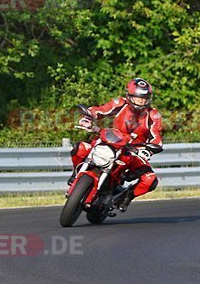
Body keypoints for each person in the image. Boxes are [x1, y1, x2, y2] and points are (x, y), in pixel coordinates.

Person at [69, 78, 163, 211]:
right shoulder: (120, 103)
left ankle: (125, 197)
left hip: (133, 151)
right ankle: (76, 174)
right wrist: (88, 117)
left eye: (144, 98)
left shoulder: (153, 114)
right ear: (129, 96)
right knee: (79, 148)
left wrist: (148, 150)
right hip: (110, 141)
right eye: (137, 98)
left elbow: (157, 138)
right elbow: (101, 110)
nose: (141, 101)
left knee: (150, 179)